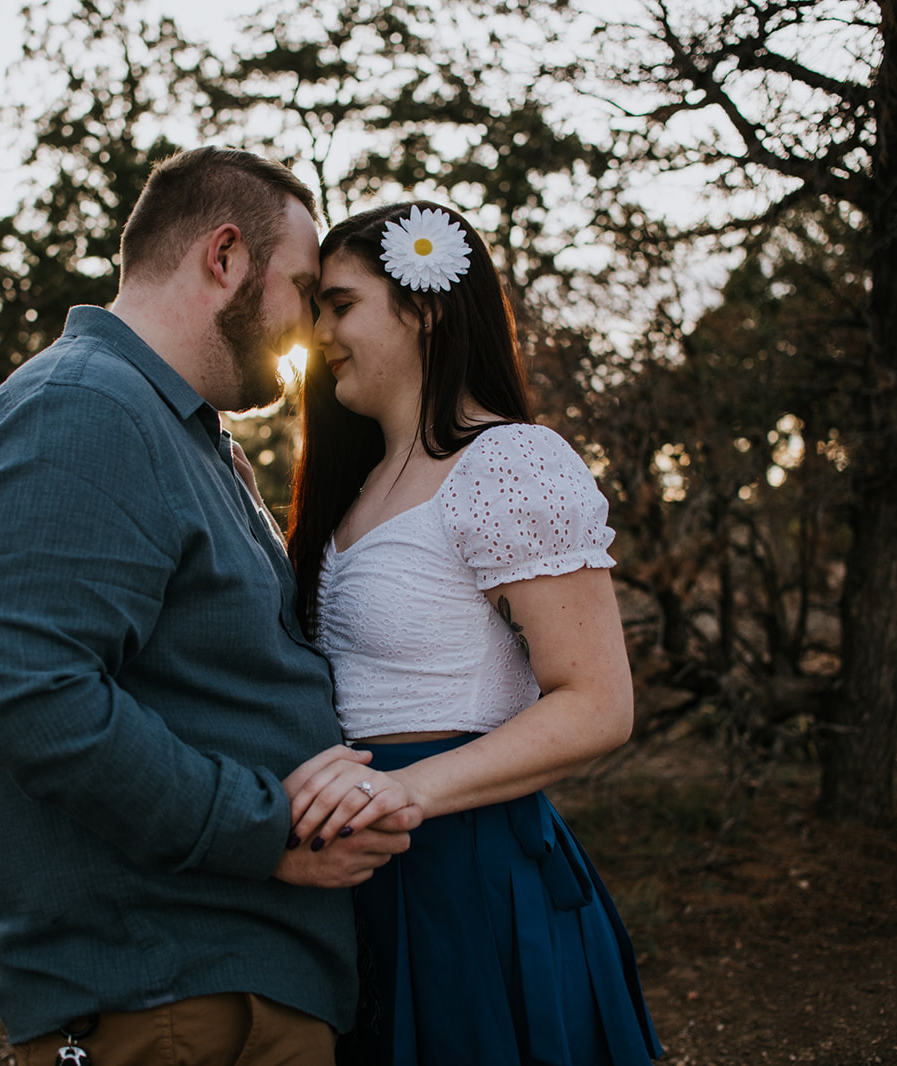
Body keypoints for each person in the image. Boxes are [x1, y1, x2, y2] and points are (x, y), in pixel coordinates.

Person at [0, 147, 418, 1066]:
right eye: (303, 288)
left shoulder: (177, 430)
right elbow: (28, 694)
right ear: (224, 257)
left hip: (224, 990)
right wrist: (266, 830)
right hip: (168, 1000)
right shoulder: (82, 410)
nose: (312, 322)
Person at [283, 202, 664, 1064]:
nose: (321, 331)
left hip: (467, 870)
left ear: (425, 307)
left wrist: (408, 791)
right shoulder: (350, 486)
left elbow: (598, 705)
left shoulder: (508, 463)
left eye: (340, 304)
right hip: (352, 876)